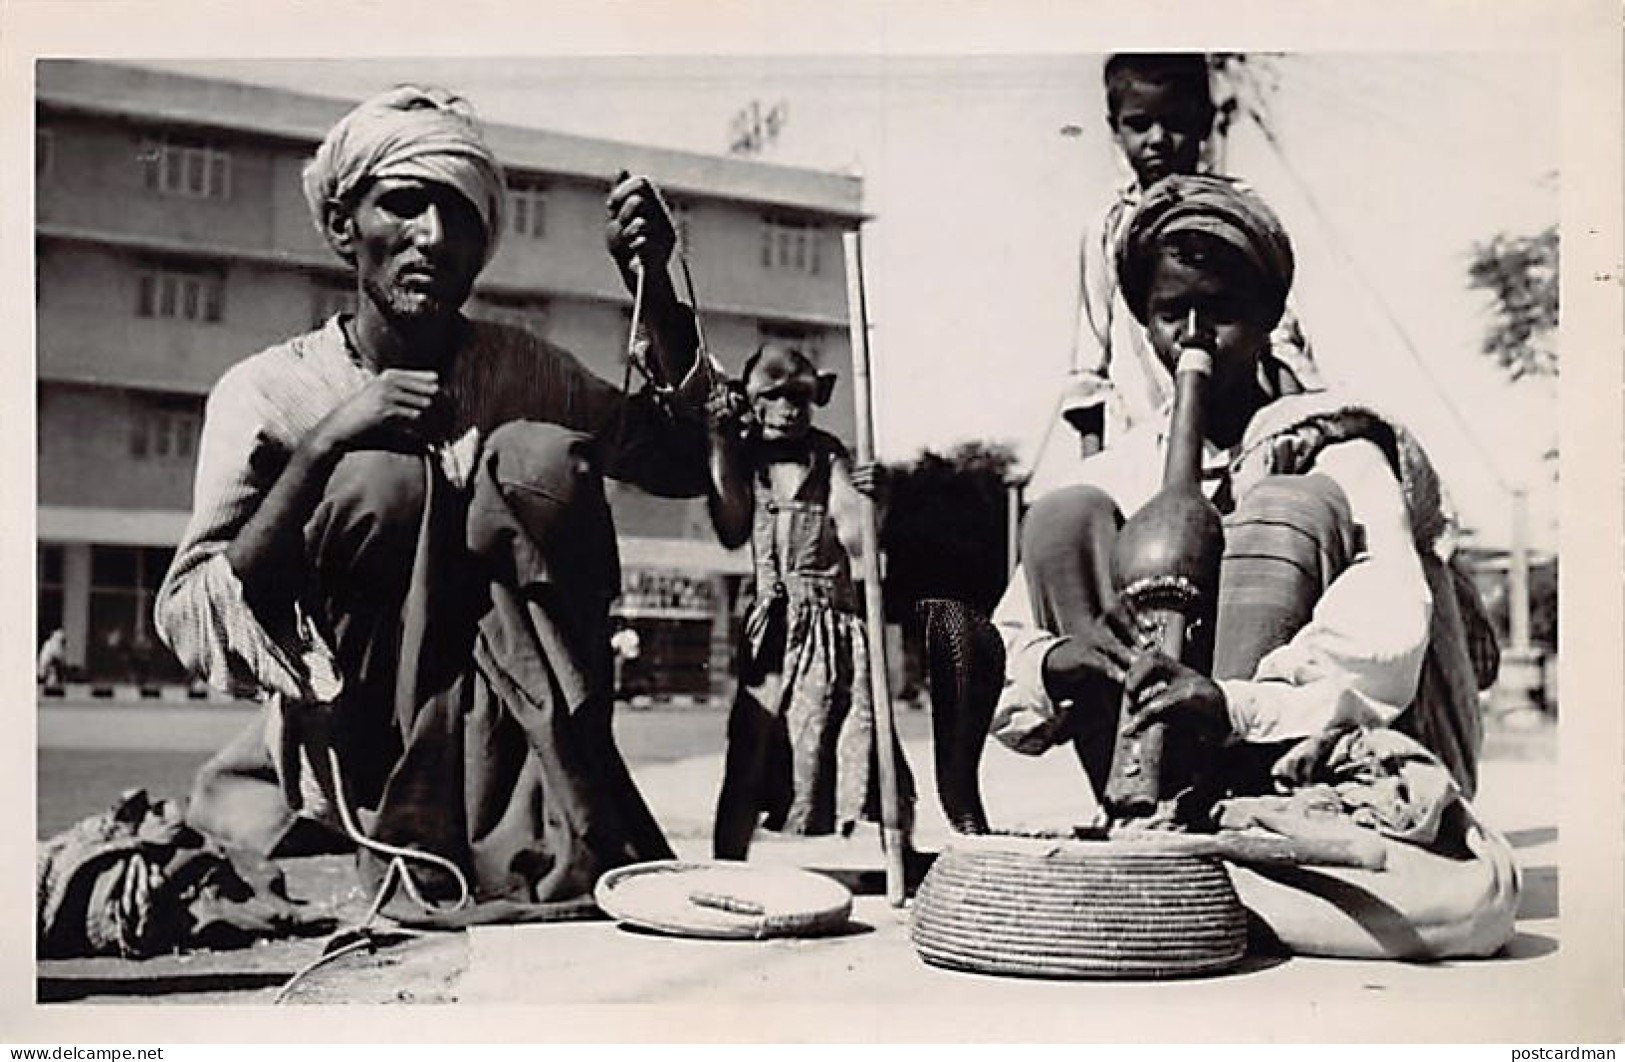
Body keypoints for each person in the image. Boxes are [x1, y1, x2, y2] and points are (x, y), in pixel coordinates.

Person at [153, 85, 710, 919]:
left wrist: (652, 285)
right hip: (356, 745)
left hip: (520, 738)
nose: (433, 239)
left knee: (537, 457)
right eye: (404, 206)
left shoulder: (525, 370)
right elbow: (192, 610)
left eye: (460, 218)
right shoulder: (269, 392)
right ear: (345, 228)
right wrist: (323, 448)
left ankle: (536, 806)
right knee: (383, 480)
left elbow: (681, 463)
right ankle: (399, 822)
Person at [989, 175, 1515, 959]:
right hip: (1151, 791)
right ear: (1144, 323)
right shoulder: (1125, 466)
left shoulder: (1340, 454)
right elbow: (1009, 666)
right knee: (1062, 517)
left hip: (1295, 775)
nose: (1194, 337)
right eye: (1171, 315)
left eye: (1222, 312)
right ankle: (1156, 829)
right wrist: (1058, 663)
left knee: (1289, 509)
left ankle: (1193, 870)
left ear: (1271, 317)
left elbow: (1389, 651)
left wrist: (1232, 705)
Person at [704, 343, 914, 860]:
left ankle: (899, 855)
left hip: (832, 625)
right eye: (772, 397)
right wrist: (719, 444)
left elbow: (859, 541)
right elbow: (731, 530)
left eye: (798, 397)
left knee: (867, 740)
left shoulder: (829, 454)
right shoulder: (742, 454)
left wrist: (875, 501)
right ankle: (725, 864)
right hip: (772, 628)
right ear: (751, 402)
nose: (788, 409)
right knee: (751, 751)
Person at [1059, 53, 1322, 462]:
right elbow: (1090, 368)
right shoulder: (1108, 228)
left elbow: (1280, 337)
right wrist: (1094, 470)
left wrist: (1295, 433)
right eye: (1140, 124)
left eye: (1176, 122)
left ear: (1204, 123)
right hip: (1142, 442)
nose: (1158, 139)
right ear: (1115, 129)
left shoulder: (1235, 211)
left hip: (1240, 438)